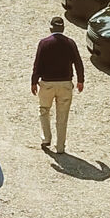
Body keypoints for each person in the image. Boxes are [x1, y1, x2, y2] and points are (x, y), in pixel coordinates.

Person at [31, 16, 85, 154]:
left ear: (51, 28)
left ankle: (46, 138)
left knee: (44, 110)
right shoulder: (70, 43)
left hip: (47, 84)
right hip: (65, 84)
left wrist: (33, 81)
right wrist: (80, 80)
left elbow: (37, 64)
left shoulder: (44, 43)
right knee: (62, 116)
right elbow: (78, 62)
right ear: (63, 28)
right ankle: (60, 147)